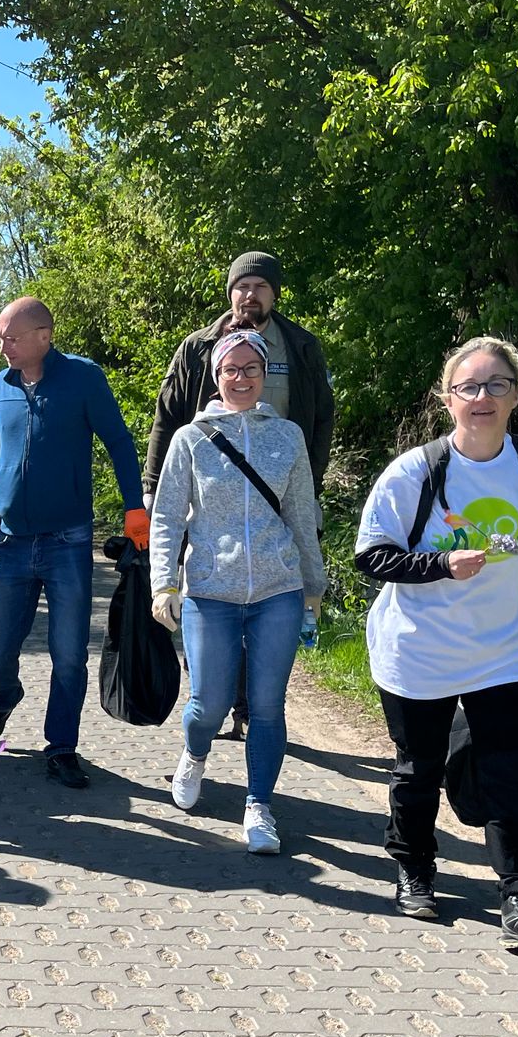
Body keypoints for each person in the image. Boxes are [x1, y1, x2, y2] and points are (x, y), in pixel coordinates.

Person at [354, 336, 518, 948]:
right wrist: (440, 565)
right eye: (469, 386)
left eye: (496, 385)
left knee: (510, 775)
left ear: (516, 395)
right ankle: (414, 869)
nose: (482, 397)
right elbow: (372, 555)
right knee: (419, 770)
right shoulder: (415, 471)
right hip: (419, 650)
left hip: (507, 650)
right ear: (448, 398)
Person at [0, 296, 148, 790]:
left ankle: (61, 745)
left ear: (44, 336)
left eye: (11, 338)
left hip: (68, 541)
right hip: (12, 540)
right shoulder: (2, 385)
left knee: (69, 653)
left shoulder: (83, 378)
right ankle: (2, 698)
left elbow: (119, 442)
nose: (3, 346)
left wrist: (134, 508)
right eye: (0, 337)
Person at [148, 327, 325, 854]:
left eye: (251, 369)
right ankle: (195, 755)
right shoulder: (191, 439)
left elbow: (302, 514)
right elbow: (167, 516)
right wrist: (164, 582)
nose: (241, 378)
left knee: (267, 705)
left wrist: (313, 585)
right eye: (231, 369)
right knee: (209, 702)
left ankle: (259, 806)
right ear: (217, 375)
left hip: (278, 589)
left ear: (265, 374)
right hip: (210, 590)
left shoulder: (287, 437)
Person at [147, 251, 336, 737]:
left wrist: (308, 482)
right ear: (230, 292)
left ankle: (253, 708)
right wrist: (154, 486)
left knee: (271, 594)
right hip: (212, 494)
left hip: (280, 492)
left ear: (274, 294)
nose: (250, 295)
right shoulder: (197, 347)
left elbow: (322, 416)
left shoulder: (301, 346)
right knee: (212, 596)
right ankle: (216, 699)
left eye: (260, 287)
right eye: (242, 286)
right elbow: (168, 416)